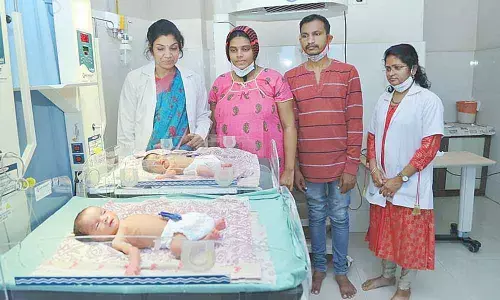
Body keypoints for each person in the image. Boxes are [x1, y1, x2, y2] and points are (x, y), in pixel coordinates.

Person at [284, 14, 363, 298]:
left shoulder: (348, 72)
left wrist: (352, 165)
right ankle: (318, 267)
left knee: (340, 218)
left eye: (316, 34)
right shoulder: (291, 77)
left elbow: (355, 121)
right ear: (300, 40)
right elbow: (291, 126)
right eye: (305, 35)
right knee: (316, 216)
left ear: (329, 38)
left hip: (340, 162)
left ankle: (340, 271)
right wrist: (296, 167)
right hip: (310, 163)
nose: (310, 40)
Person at [362, 44, 444, 300]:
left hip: (409, 185)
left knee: (408, 237)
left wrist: (400, 178)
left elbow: (430, 146)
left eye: (397, 67)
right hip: (383, 181)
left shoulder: (428, 101)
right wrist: (374, 169)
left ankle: (404, 286)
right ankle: (387, 275)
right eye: (388, 68)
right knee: (386, 231)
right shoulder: (384, 99)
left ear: (413, 69)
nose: (391, 73)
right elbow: (373, 137)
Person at [208, 26, 297, 191]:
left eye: (245, 49)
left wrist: (290, 170)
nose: (239, 55)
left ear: (254, 50)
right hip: (230, 170)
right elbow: (213, 128)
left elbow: (289, 126)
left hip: (267, 167)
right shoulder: (220, 84)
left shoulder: (273, 79)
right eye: (233, 50)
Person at [117, 19, 211, 155]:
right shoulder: (135, 79)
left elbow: (202, 115)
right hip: (148, 157)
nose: (168, 55)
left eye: (173, 48)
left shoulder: (193, 79)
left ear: (180, 48)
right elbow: (125, 128)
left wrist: (200, 135)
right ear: (151, 49)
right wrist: (130, 164)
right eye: (160, 49)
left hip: (186, 154)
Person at [73, 206, 226, 275]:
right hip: (169, 236)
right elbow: (133, 250)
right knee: (177, 248)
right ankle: (206, 240)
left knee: (191, 220)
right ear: (94, 239)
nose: (105, 218)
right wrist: (133, 265)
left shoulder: (127, 218)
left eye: (103, 212)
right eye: (98, 224)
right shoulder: (118, 240)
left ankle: (210, 225)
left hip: (173, 222)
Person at [141, 152, 230, 178]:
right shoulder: (168, 169)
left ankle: (223, 166)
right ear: (157, 172)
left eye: (157, 157)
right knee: (202, 170)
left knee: (211, 160)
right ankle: (217, 175)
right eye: (154, 164)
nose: (158, 161)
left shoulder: (170, 157)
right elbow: (171, 174)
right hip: (193, 167)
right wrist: (165, 176)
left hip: (197, 159)